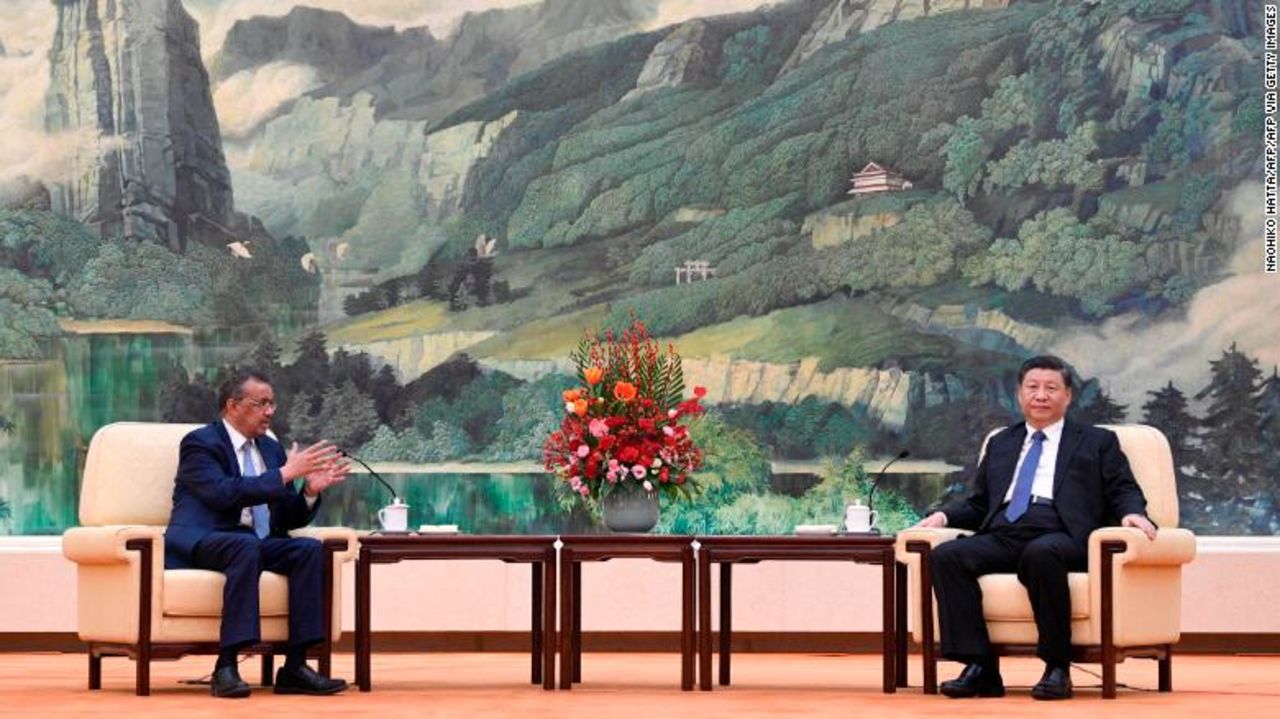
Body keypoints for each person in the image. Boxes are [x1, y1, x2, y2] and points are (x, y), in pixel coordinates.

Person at [912, 355, 1157, 700]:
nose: (1041, 395)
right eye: (1033, 387)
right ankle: (980, 667)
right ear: (1019, 394)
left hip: (1061, 532)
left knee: (1041, 554)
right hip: (1005, 531)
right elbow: (981, 502)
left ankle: (1057, 668)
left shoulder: (1096, 441)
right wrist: (944, 517)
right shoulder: (1001, 442)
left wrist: (1133, 513)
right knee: (947, 556)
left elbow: (1122, 489)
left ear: (1068, 396)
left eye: (1051, 388)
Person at [165, 368, 351, 698]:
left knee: (308, 550)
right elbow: (223, 493)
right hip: (205, 537)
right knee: (244, 546)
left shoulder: (270, 449)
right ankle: (227, 666)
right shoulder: (200, 443)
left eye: (272, 404)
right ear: (233, 405)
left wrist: (308, 491)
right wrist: (283, 474)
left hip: (252, 542)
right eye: (261, 403)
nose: (269, 412)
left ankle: (295, 667)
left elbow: (286, 517)